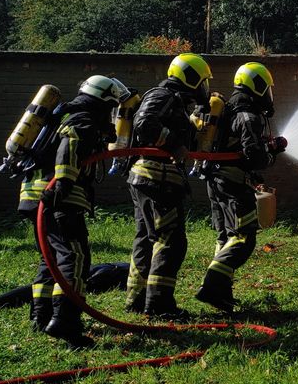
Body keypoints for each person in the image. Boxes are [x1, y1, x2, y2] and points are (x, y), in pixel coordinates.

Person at [18, 75, 130, 348]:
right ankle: (66, 322)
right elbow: (71, 143)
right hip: (58, 198)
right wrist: (65, 182)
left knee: (50, 259)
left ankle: (41, 316)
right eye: (112, 105)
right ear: (104, 100)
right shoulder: (83, 118)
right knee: (74, 258)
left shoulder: (62, 113)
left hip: (33, 195)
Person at [125, 53, 212, 318]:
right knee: (171, 240)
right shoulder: (163, 96)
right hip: (157, 178)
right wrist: (174, 144)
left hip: (150, 177)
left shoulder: (174, 101)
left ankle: (137, 300)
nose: (204, 88)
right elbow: (144, 123)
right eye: (202, 81)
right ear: (190, 78)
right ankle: (159, 304)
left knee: (146, 238)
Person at [195, 62, 286, 312]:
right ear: (257, 87)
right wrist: (272, 150)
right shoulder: (247, 116)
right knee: (244, 237)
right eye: (265, 88)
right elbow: (253, 155)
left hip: (217, 181)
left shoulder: (229, 110)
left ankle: (221, 294)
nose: (268, 95)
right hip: (232, 184)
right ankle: (212, 285)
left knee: (226, 236)